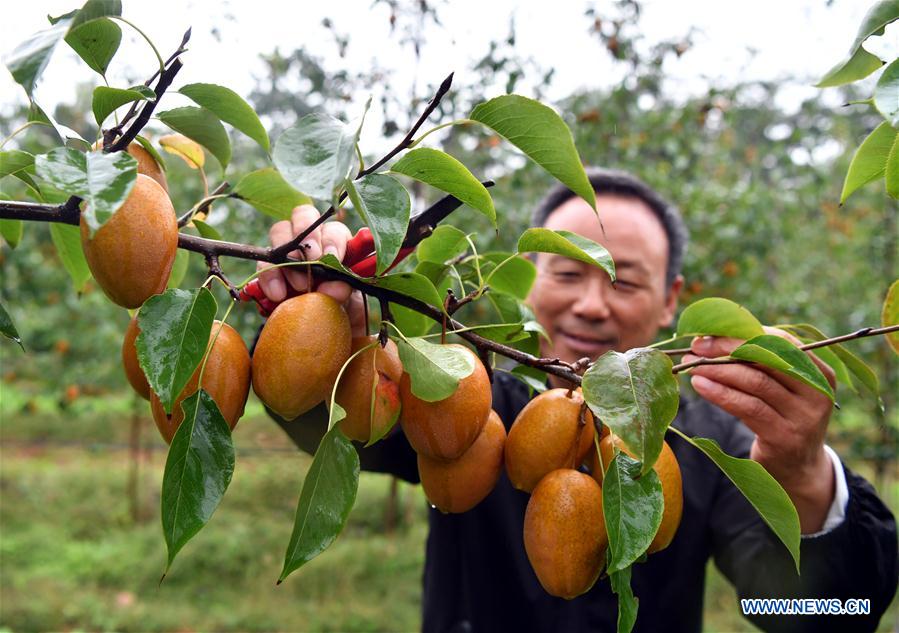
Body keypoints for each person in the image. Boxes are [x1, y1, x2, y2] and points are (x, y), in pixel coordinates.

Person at [255, 168, 898, 633]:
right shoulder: (466, 394)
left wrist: (804, 476)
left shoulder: (712, 438)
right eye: (567, 272)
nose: (591, 305)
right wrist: (326, 331)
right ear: (531, 281)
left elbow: (814, 613)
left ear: (672, 301)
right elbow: (340, 426)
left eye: (622, 278)